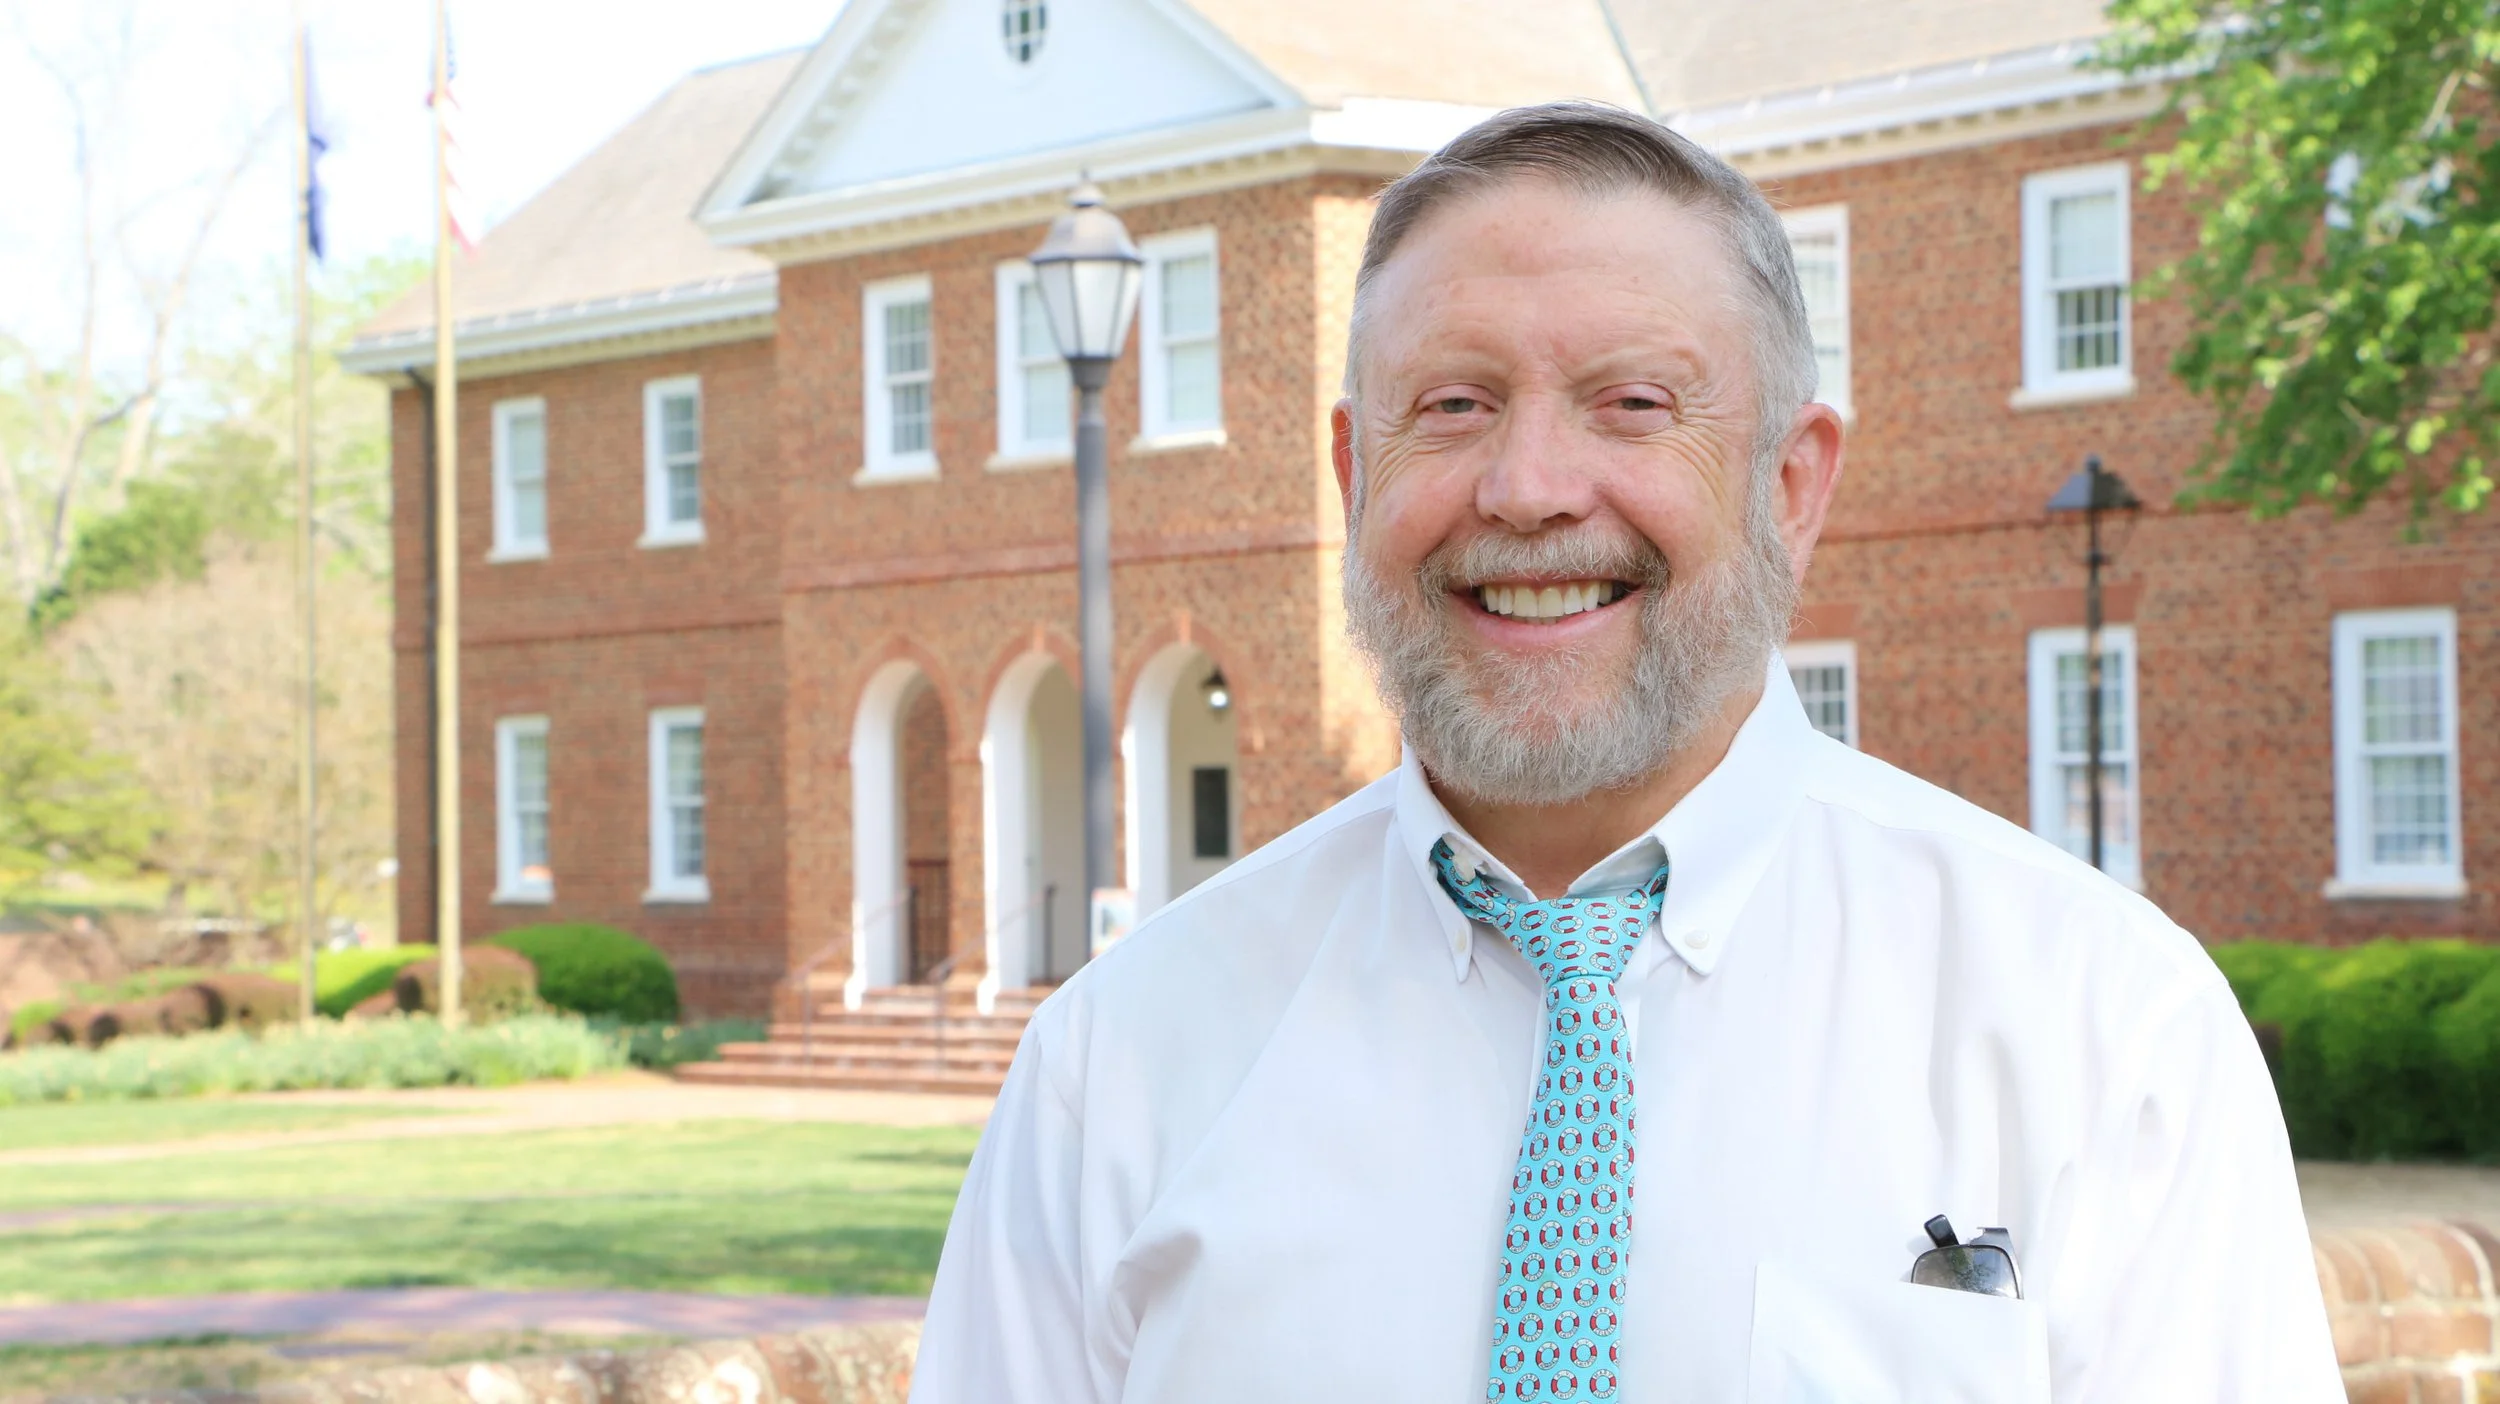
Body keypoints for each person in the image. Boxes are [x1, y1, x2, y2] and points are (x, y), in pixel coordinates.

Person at [911, 102, 2339, 1403]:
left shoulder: (2098, 1026)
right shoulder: (1120, 1064)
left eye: (1633, 403)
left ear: (1793, 482)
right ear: (1355, 477)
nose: (1528, 488)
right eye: (1455, 405)